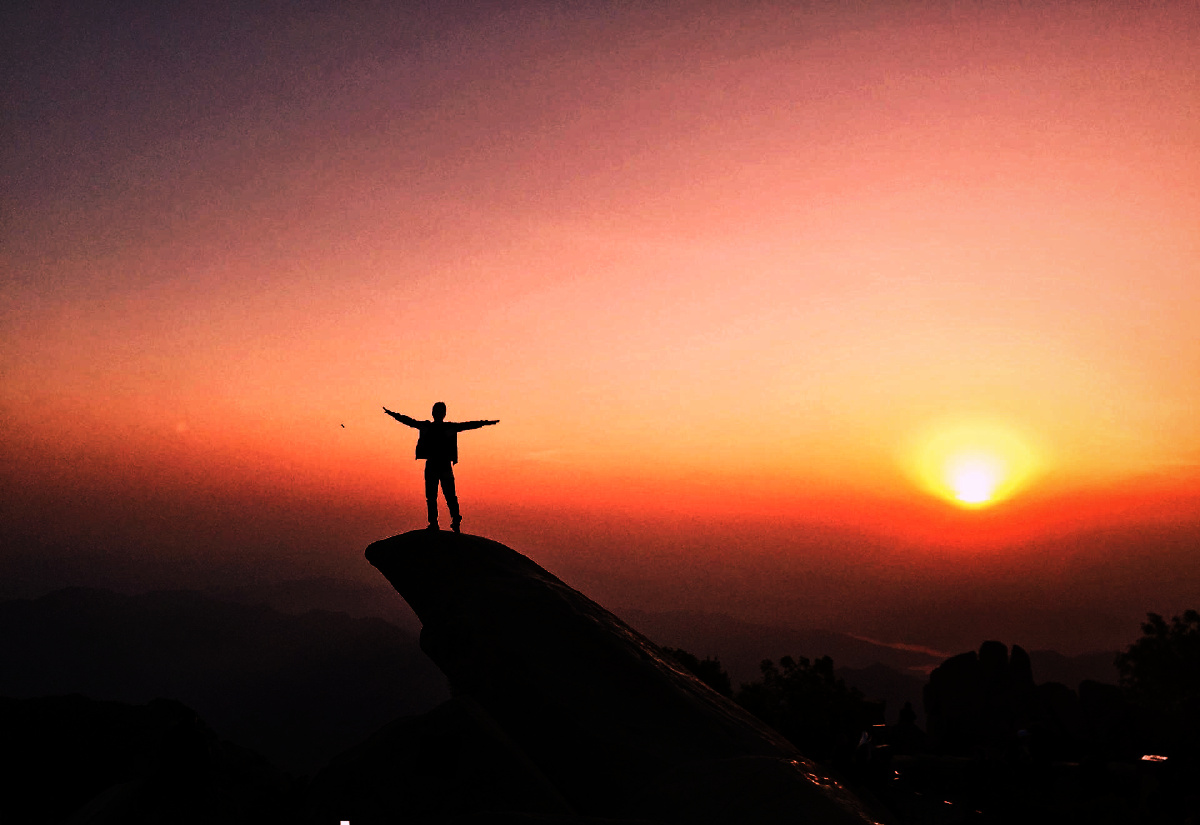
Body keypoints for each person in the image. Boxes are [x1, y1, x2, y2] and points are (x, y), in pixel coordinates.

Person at [383, 402, 499, 532]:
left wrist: (486, 423)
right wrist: (392, 414)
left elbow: (409, 421)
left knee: (440, 496)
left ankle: (444, 522)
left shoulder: (433, 427)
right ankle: (446, 521)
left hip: (437, 466)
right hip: (440, 466)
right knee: (443, 496)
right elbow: (468, 425)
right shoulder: (441, 427)